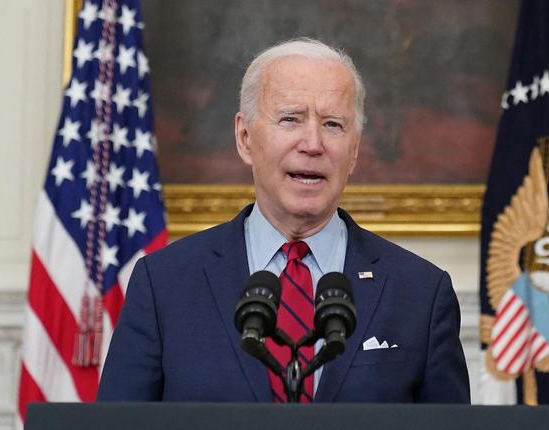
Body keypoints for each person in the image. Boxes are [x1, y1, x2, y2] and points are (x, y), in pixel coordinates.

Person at [97, 38, 470, 403]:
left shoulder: (420, 293)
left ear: (354, 151)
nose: (312, 143)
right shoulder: (163, 284)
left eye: (333, 125)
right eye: (290, 119)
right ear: (245, 138)